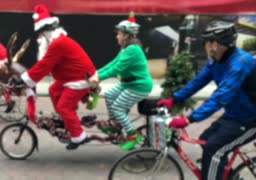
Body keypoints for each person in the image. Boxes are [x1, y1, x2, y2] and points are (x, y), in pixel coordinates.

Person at [157, 21, 256, 180]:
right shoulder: (215, 60)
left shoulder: (240, 62)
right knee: (205, 139)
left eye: (206, 42)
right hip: (234, 115)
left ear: (215, 44)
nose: (204, 45)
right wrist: (174, 98)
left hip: (250, 119)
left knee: (214, 148)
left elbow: (220, 97)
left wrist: (189, 119)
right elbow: (198, 81)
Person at [17, 4, 96, 150]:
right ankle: (68, 121)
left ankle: (79, 136)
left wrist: (24, 79)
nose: (39, 36)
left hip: (79, 79)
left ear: (48, 31)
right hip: (70, 77)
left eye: (41, 33)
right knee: (53, 90)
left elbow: (45, 65)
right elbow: (44, 64)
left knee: (64, 107)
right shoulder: (55, 42)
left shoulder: (57, 43)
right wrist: (28, 76)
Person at [89, 12, 153, 151]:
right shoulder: (125, 49)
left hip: (139, 86)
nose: (117, 36)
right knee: (110, 94)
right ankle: (115, 123)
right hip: (128, 83)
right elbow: (113, 63)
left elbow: (116, 69)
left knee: (118, 107)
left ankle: (133, 135)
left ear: (126, 36)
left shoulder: (132, 50)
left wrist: (99, 78)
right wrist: (96, 72)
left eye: (119, 33)